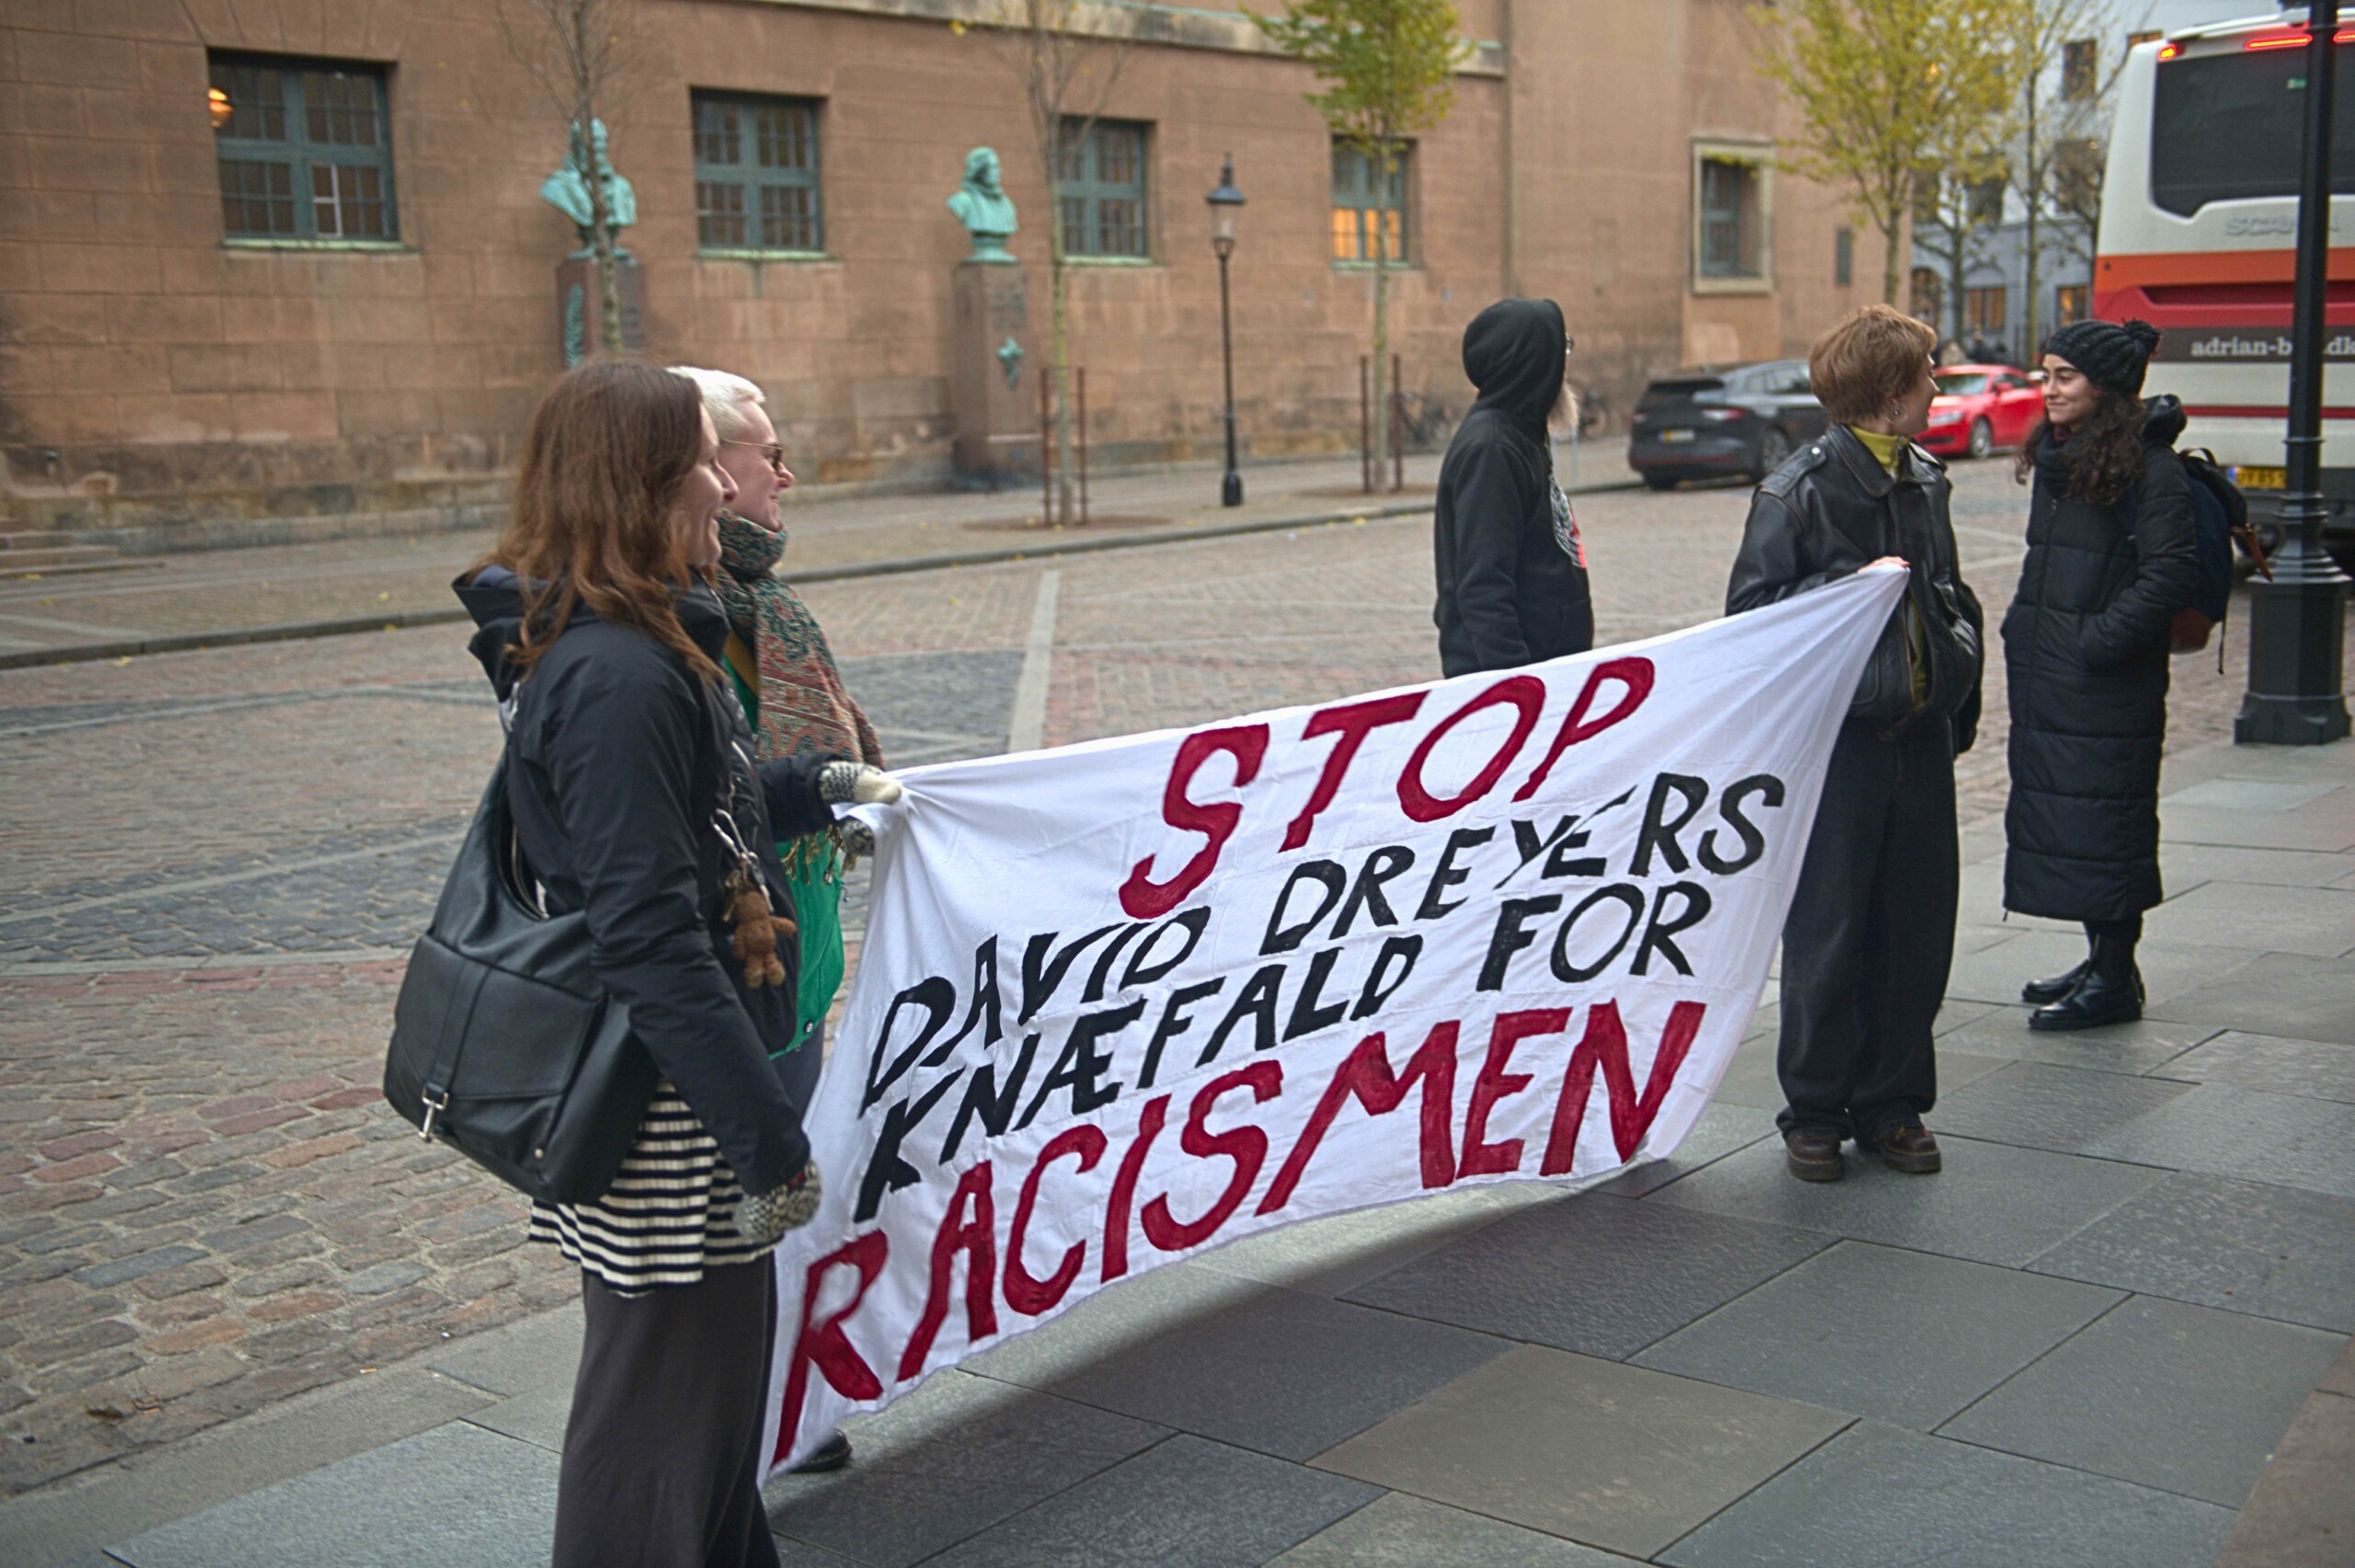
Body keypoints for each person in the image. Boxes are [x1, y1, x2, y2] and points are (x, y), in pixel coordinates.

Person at [454, 361, 898, 1568]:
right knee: (658, 1406)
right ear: (640, 483)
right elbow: (647, 927)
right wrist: (764, 1133)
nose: (723, 484)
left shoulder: (638, 643)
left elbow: (695, 807)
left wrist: (814, 786)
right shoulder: (617, 673)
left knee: (709, 1402)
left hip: (683, 1080)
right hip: (668, 1099)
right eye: (702, 461)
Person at [672, 363, 883, 1474]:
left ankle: (778, 1406)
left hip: (799, 956)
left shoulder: (770, 610)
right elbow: (717, 800)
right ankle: (732, 1427)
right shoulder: (682, 625)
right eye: (763, 453)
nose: (782, 474)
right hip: (735, 966)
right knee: (727, 1215)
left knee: (783, 1193)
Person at [1727, 304, 1984, 1184]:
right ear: (1888, 390)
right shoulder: (1796, 490)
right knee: (1831, 928)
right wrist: (1854, 587)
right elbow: (1753, 624)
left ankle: (1894, 1103)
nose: (1939, 386)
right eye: (1928, 373)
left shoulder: (1927, 476)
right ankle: (1815, 1109)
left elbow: (1947, 592)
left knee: (1917, 927)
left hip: (1919, 736)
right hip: (1840, 748)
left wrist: (1958, 677)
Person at [2004, 320, 2197, 1030]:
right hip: (2056, 674)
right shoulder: (2066, 457)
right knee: (2074, 821)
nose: (2049, 389)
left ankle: (2113, 979)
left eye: (2065, 376)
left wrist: (2095, 642)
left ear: (2106, 388)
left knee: (2107, 823)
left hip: (2104, 680)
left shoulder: (2151, 468)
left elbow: (2169, 572)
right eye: (2046, 374)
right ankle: (2104, 962)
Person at [1432, 298, 1593, 676]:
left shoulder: (1520, 434)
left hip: (1546, 671)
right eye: (1561, 348)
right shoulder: (1492, 450)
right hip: (1517, 687)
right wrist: (1517, 688)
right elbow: (1483, 587)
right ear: (1534, 363)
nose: (1565, 365)